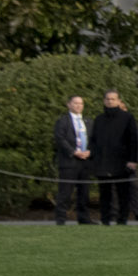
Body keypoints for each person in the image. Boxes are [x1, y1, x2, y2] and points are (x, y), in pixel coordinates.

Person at [92, 89, 138, 225]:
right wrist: (95, 159)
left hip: (122, 162)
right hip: (103, 162)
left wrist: (133, 160)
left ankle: (122, 219)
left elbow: (133, 140)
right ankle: (105, 219)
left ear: (119, 101)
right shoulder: (99, 119)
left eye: (113, 99)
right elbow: (94, 140)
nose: (110, 101)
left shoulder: (127, 118)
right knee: (104, 193)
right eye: (108, 99)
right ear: (104, 101)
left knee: (123, 193)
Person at [50, 94, 95, 226]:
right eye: (75, 103)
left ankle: (83, 218)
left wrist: (90, 151)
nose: (78, 106)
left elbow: (94, 139)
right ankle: (61, 218)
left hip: (85, 162)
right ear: (69, 104)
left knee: (84, 192)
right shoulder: (63, 121)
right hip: (69, 162)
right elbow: (60, 139)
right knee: (65, 192)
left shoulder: (88, 122)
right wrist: (73, 152)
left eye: (81, 103)